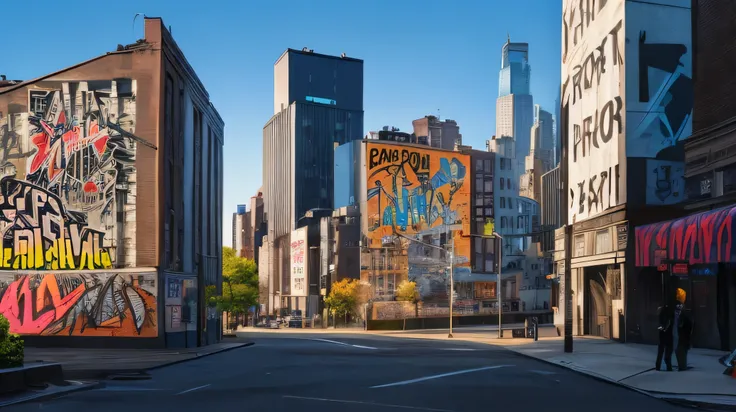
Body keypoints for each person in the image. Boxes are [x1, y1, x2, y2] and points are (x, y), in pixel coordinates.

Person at [674, 288, 693, 371]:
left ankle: (682, 366)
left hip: (682, 335)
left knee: (681, 350)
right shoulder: (682, 310)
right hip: (683, 335)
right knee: (681, 350)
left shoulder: (682, 312)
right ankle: (682, 366)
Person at [655, 300, 674, 371]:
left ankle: (658, 366)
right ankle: (669, 367)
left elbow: (661, 325)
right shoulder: (670, 314)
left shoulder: (661, 313)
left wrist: (662, 329)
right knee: (667, 354)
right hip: (668, 336)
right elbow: (668, 324)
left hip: (662, 336)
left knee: (660, 352)